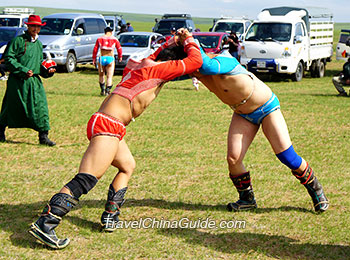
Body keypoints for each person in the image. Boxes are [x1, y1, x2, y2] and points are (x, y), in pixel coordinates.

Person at [29, 28, 202, 249]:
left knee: (127, 165)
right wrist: (188, 39)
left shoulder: (145, 63)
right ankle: (46, 223)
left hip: (111, 124)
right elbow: (195, 60)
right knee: (86, 179)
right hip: (108, 125)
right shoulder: (158, 70)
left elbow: (159, 52)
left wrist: (173, 41)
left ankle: (111, 215)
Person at [191, 44, 329, 213]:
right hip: (243, 114)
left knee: (287, 157)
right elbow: (170, 71)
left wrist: (190, 41)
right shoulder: (197, 70)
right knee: (233, 159)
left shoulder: (223, 59)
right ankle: (246, 199)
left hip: (266, 107)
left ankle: (316, 189)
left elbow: (208, 66)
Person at [0, 15, 56, 146]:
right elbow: (8, 58)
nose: (35, 29)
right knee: (10, 107)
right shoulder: (18, 41)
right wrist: (23, 70)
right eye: (33, 26)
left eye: (38, 26)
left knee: (40, 108)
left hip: (34, 82)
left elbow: (37, 64)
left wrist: (47, 71)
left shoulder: (39, 44)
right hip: (18, 82)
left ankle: (43, 136)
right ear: (28, 26)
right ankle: (0, 132)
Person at [93, 27, 122, 96]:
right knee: (109, 76)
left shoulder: (99, 39)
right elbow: (119, 48)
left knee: (101, 75)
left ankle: (102, 90)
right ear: (111, 32)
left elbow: (95, 49)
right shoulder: (114, 39)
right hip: (110, 59)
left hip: (101, 58)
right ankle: (107, 91)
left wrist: (94, 59)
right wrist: (120, 57)